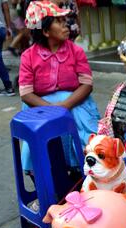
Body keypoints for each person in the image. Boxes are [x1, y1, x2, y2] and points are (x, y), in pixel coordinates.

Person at [19, 0, 100, 196]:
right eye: (59, 21)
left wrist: (64, 106)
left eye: (65, 20)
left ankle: (83, 180)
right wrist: (51, 109)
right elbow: (26, 93)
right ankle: (47, 187)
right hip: (40, 107)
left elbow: (86, 85)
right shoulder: (28, 56)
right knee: (36, 148)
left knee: (88, 141)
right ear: (46, 31)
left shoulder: (76, 50)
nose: (66, 25)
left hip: (75, 103)